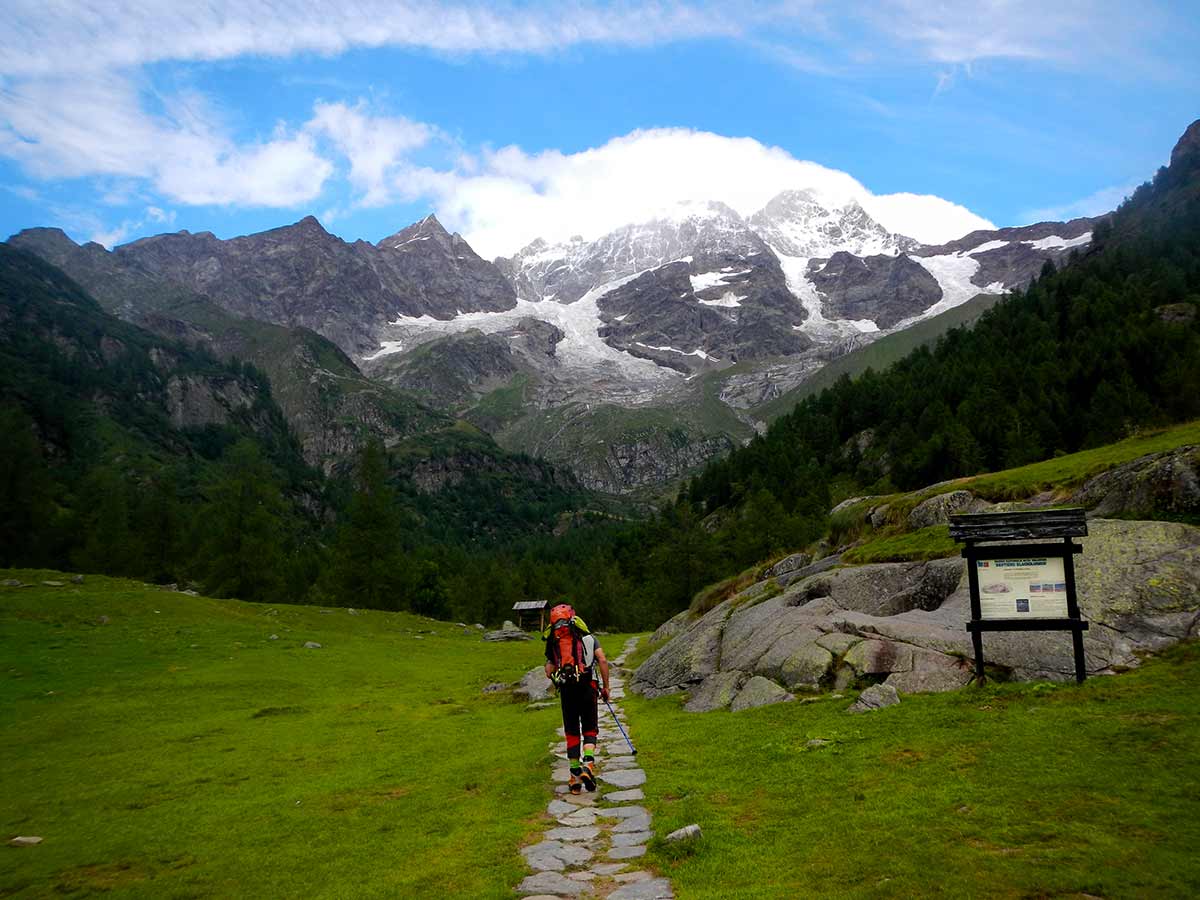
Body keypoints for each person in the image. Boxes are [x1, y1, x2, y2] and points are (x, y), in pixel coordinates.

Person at [543, 602, 610, 794]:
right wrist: (606, 687)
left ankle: (574, 778)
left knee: (572, 731)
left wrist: (555, 672)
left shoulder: (553, 641)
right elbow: (603, 660)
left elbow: (549, 670)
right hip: (588, 687)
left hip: (567, 690)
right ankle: (588, 764)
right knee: (590, 728)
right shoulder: (589, 638)